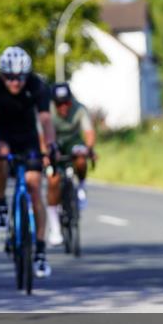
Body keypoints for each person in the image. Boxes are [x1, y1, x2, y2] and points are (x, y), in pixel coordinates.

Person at [0, 46, 58, 278]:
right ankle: (2, 206)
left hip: (28, 140)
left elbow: (45, 121)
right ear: (2, 75)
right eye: (10, 77)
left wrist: (51, 146)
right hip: (4, 137)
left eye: (20, 77)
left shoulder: (37, 86)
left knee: (35, 189)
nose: (15, 82)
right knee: (0, 155)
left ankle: (41, 252)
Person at [45, 82, 95, 247]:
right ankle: (54, 226)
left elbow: (89, 133)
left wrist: (89, 149)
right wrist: (45, 155)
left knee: (81, 158)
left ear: (71, 101)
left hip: (73, 141)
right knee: (53, 181)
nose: (63, 107)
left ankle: (81, 186)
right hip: (53, 143)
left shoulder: (79, 109)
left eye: (66, 102)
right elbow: (40, 135)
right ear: (54, 103)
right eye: (59, 104)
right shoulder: (47, 111)